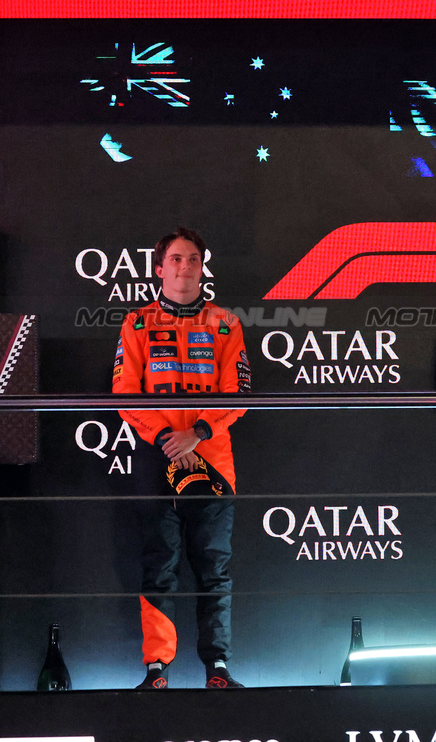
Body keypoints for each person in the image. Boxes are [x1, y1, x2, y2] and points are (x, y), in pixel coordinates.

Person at [112, 228, 251, 689]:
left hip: (212, 458)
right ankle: (157, 671)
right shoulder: (135, 325)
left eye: (192, 259)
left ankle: (219, 670)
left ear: (201, 267)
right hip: (158, 458)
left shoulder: (227, 323)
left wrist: (199, 433)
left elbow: (240, 392)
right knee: (160, 566)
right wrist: (168, 437)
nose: (184, 267)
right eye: (175, 259)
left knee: (214, 569)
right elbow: (125, 395)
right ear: (158, 268)